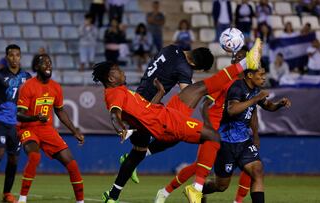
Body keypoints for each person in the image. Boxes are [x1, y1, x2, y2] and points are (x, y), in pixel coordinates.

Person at [97, 39, 263, 203]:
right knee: (212, 135)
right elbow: (114, 114)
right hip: (165, 122)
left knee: (200, 90)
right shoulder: (115, 93)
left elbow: (145, 107)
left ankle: (112, 196)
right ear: (111, 79)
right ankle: (196, 189)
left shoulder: (122, 90)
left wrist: (160, 93)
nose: (122, 71)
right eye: (118, 70)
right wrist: (120, 129)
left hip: (160, 112)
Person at [153, 46, 249, 203]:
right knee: (200, 166)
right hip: (215, 129)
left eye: (242, 57)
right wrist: (209, 127)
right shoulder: (227, 82)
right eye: (236, 57)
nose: (237, 59)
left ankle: (189, 191)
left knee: (233, 173)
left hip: (231, 134)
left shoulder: (248, 84)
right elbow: (206, 103)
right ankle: (166, 192)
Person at [202, 68, 291, 203]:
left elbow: (268, 106)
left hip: (244, 142)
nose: (264, 78)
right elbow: (231, 110)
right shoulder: (237, 88)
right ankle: (199, 189)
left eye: (264, 75)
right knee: (221, 186)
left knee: (257, 171)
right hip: (226, 143)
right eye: (261, 75)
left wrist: (279, 104)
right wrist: (255, 99)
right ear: (250, 75)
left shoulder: (255, 89)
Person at [16, 54, 85, 203]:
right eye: (44, 63)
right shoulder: (27, 86)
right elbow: (19, 115)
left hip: (47, 129)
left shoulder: (56, 87)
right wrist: (36, 118)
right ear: (36, 67)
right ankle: (22, 199)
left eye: (50, 63)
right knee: (34, 157)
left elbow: (60, 111)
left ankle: (81, 201)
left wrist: (75, 131)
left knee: (72, 163)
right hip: (28, 128)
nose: (48, 65)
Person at [0, 44, 31, 203]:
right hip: (2, 121)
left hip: (18, 124)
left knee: (13, 159)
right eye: (11, 55)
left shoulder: (27, 77)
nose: (14, 58)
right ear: (7, 57)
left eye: (17, 55)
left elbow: (31, 98)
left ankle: (7, 194)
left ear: (20, 57)